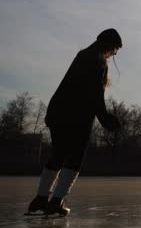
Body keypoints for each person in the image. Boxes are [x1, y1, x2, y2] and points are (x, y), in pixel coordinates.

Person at [27, 29, 123, 216]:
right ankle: (56, 201)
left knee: (58, 154)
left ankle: (40, 198)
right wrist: (105, 119)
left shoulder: (82, 55)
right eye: (115, 49)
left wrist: (51, 111)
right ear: (108, 45)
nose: (114, 54)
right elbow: (95, 95)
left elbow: (66, 85)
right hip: (76, 116)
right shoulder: (98, 61)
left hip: (58, 112)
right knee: (75, 159)